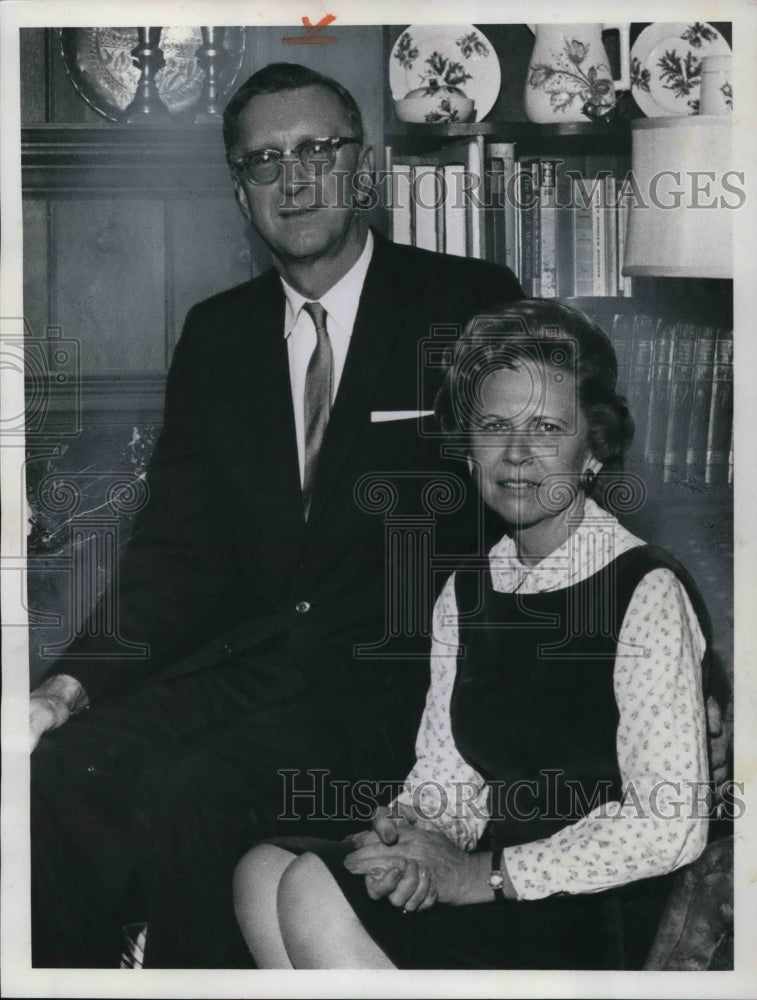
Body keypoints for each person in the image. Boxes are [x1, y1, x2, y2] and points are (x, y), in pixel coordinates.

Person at [28, 63, 525, 968]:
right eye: (264, 161)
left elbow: (541, 495)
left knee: (195, 789)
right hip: (251, 664)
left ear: (361, 168)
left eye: (316, 150)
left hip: (400, 684)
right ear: (240, 191)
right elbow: (173, 552)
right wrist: (64, 688)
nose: (293, 179)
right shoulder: (217, 335)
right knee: (59, 770)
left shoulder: (467, 302)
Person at [233, 300, 715, 970]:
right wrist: (409, 836)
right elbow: (449, 773)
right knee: (263, 871)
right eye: (494, 426)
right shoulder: (467, 589)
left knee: (314, 890)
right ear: (467, 448)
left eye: (546, 427)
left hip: (586, 907)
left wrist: (481, 874)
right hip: (488, 878)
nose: (516, 454)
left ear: (593, 450)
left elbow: (670, 826)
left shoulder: (643, 587)